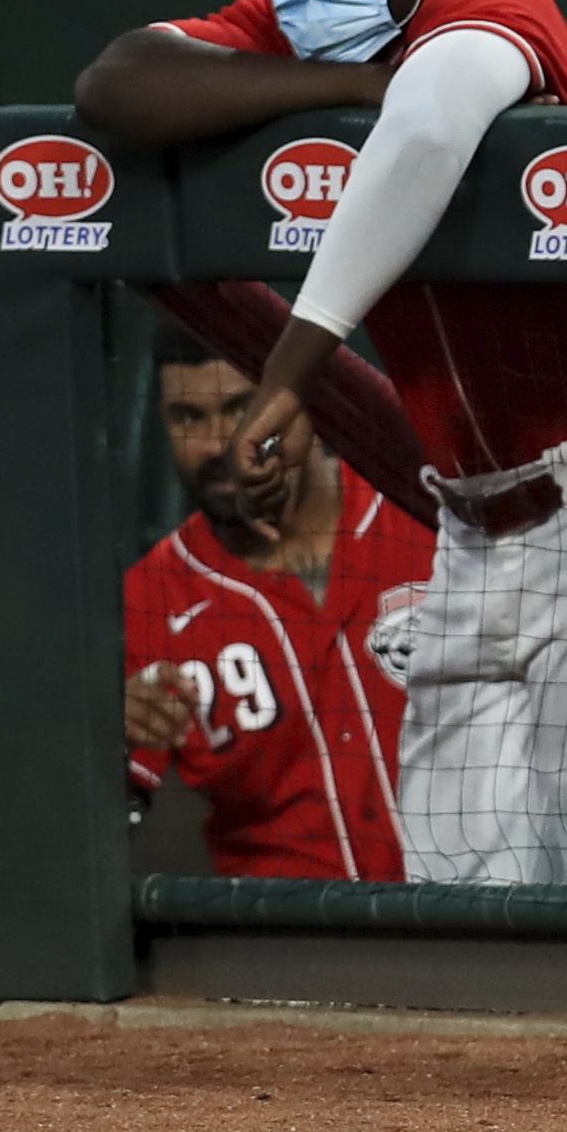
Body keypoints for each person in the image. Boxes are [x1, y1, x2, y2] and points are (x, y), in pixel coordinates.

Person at [72, 0, 567, 893]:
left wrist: (295, 362)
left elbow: (426, 121)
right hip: (471, 523)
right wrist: (339, 81)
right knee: (460, 885)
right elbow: (117, 85)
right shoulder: (305, 30)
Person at [121, 351, 435, 881]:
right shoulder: (153, 592)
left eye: (242, 409)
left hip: (476, 912)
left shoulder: (422, 512)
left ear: (302, 402)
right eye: (188, 418)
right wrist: (109, 738)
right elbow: (112, 816)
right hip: (283, 940)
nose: (219, 444)